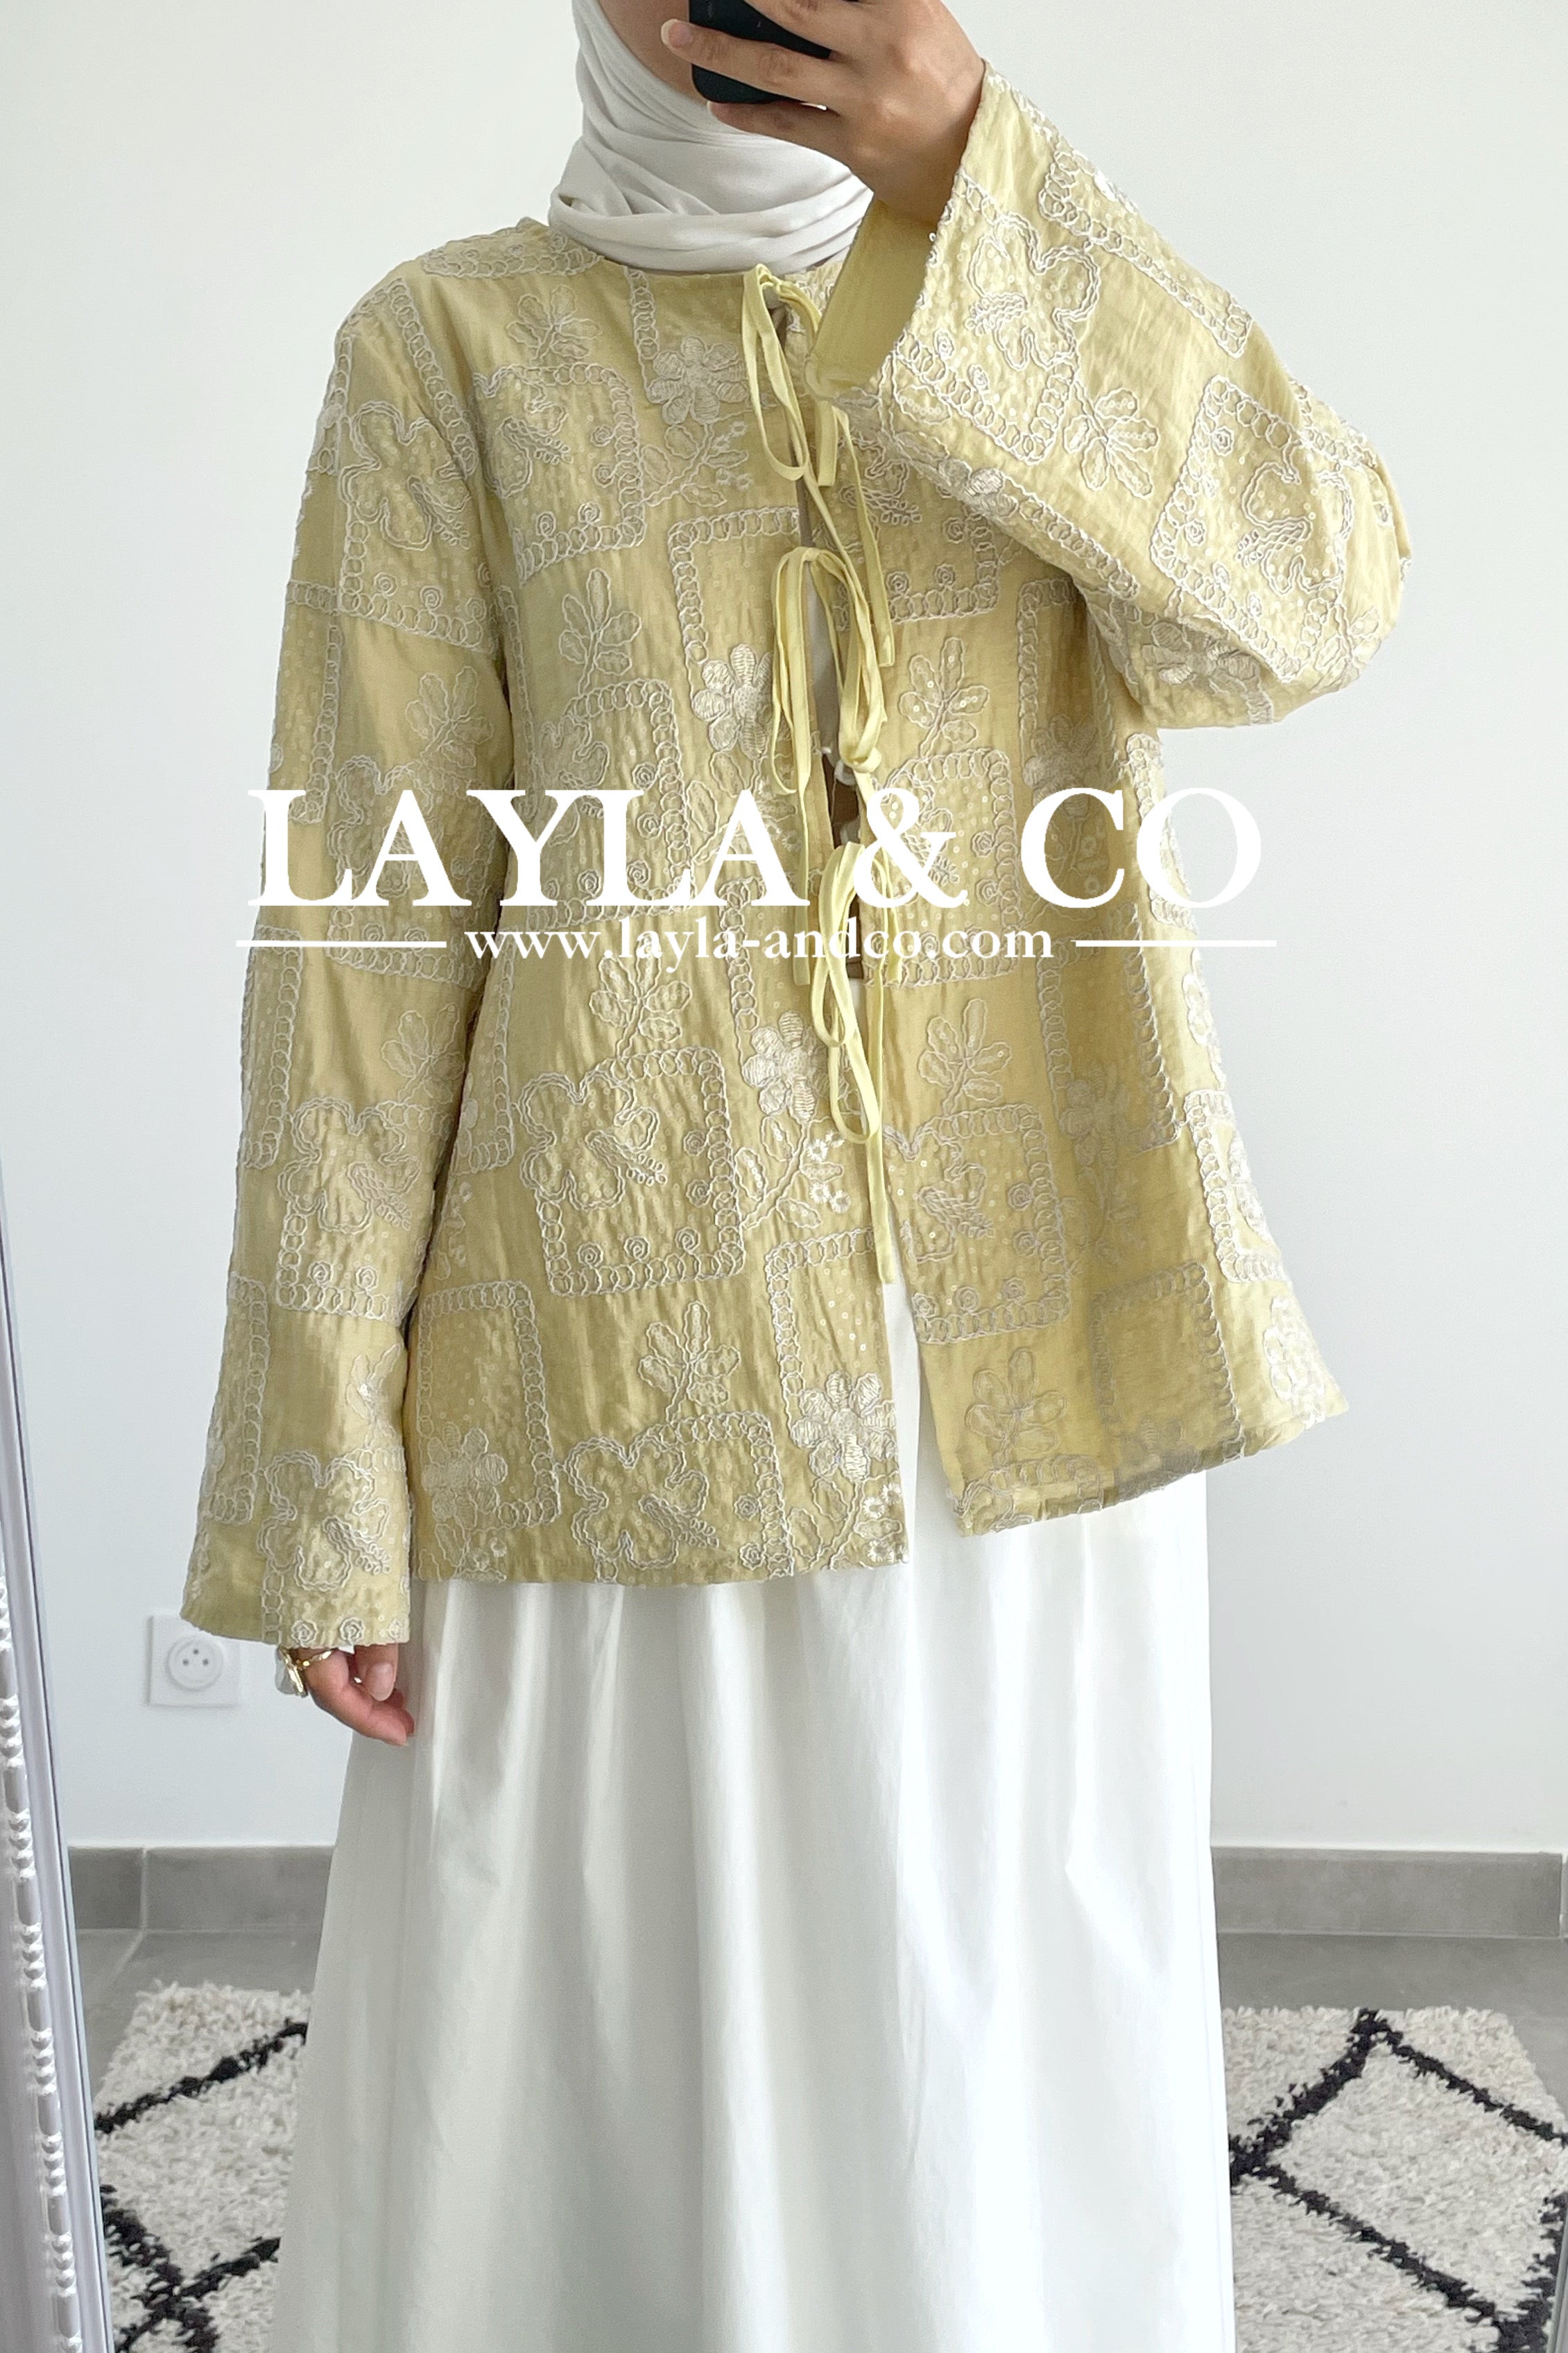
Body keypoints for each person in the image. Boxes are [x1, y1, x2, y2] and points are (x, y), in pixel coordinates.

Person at [179, 0, 1409, 2343]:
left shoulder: (1028, 294)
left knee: (982, 2025)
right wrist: (324, 1472)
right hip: (605, 1373)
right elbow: (360, 939)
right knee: (601, 2052)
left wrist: (981, 176)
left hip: (1022, 1379)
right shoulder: (452, 349)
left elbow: (1313, 602)